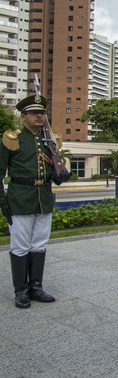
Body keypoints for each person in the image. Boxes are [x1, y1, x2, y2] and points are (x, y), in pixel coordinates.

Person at [0, 95, 70, 309]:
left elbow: (54, 173)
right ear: (23, 116)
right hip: (20, 198)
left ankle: (36, 287)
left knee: (39, 244)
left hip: (44, 199)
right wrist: (3, 202)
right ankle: (21, 290)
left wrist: (61, 173)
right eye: (34, 113)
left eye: (42, 113)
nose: (40, 116)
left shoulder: (50, 140)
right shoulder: (12, 138)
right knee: (20, 246)